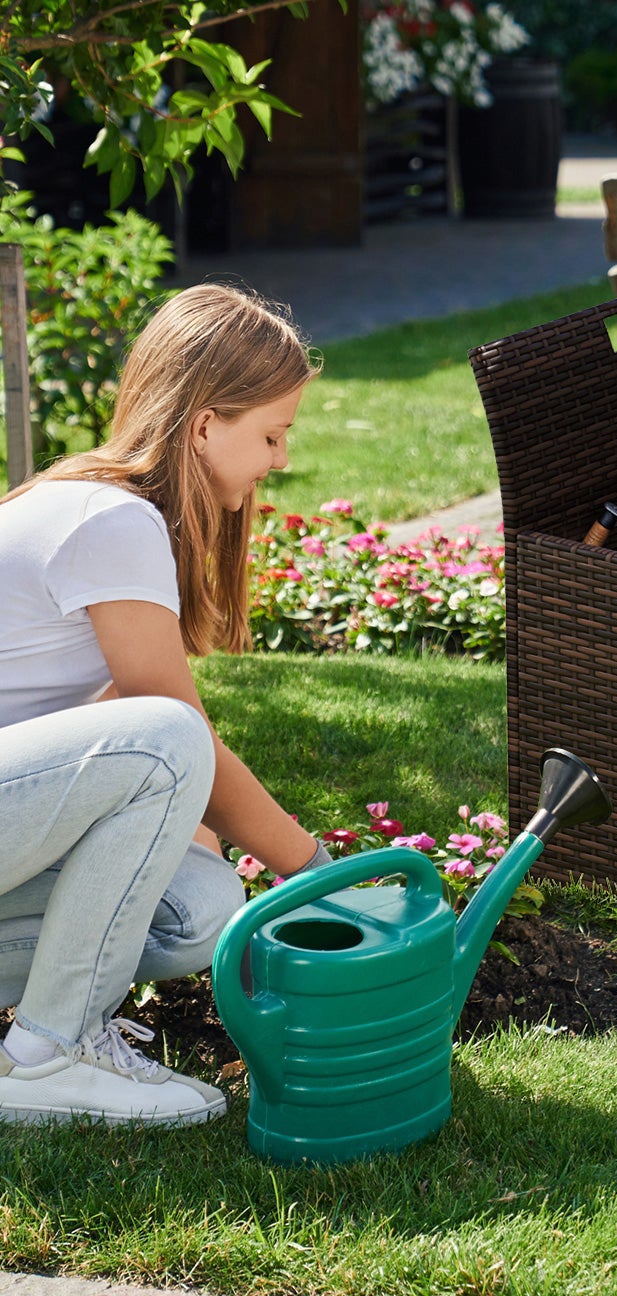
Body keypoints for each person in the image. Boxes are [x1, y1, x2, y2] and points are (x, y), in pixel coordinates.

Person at [0, 283, 331, 1126]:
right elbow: (167, 737)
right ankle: (48, 1054)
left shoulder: (107, 511)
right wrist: (315, 873)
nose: (280, 459)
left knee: (200, 909)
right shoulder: (112, 519)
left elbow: (99, 726)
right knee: (169, 738)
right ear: (203, 424)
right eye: (271, 433)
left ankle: (59, 1035)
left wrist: (186, 823)